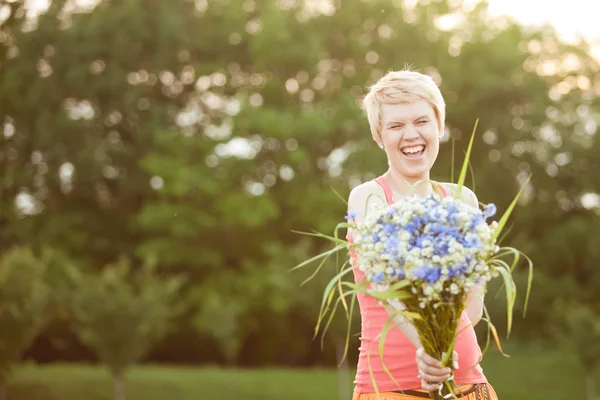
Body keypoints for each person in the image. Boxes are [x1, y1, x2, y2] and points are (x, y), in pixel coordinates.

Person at [346, 69, 498, 400]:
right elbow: (387, 290)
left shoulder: (463, 200)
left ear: (438, 126)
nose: (411, 135)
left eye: (421, 121)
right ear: (379, 136)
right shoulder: (369, 198)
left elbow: (472, 305)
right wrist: (427, 350)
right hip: (392, 389)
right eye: (396, 126)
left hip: (470, 386)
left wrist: (442, 352)